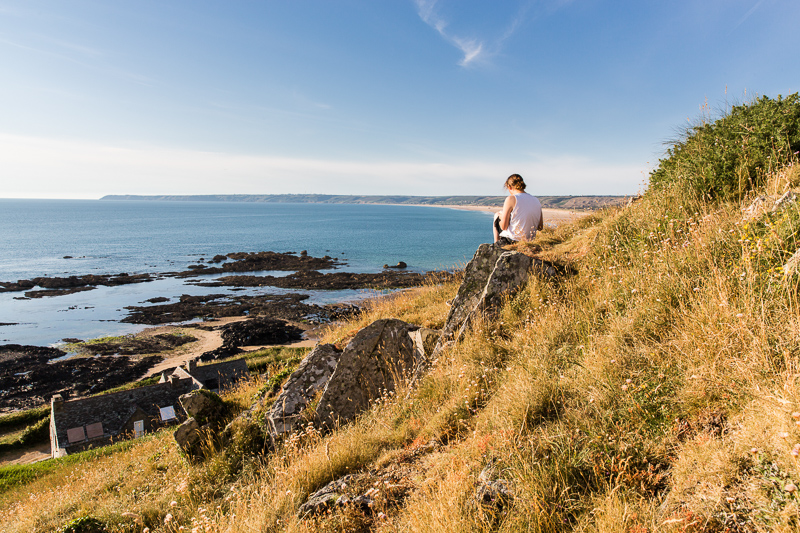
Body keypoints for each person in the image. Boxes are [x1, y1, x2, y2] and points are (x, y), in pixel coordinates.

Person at [493, 174, 543, 244]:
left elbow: (503, 227)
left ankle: (496, 244)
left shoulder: (511, 199)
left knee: (497, 214)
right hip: (530, 241)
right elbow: (540, 227)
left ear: (509, 187)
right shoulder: (536, 200)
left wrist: (500, 217)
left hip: (512, 240)